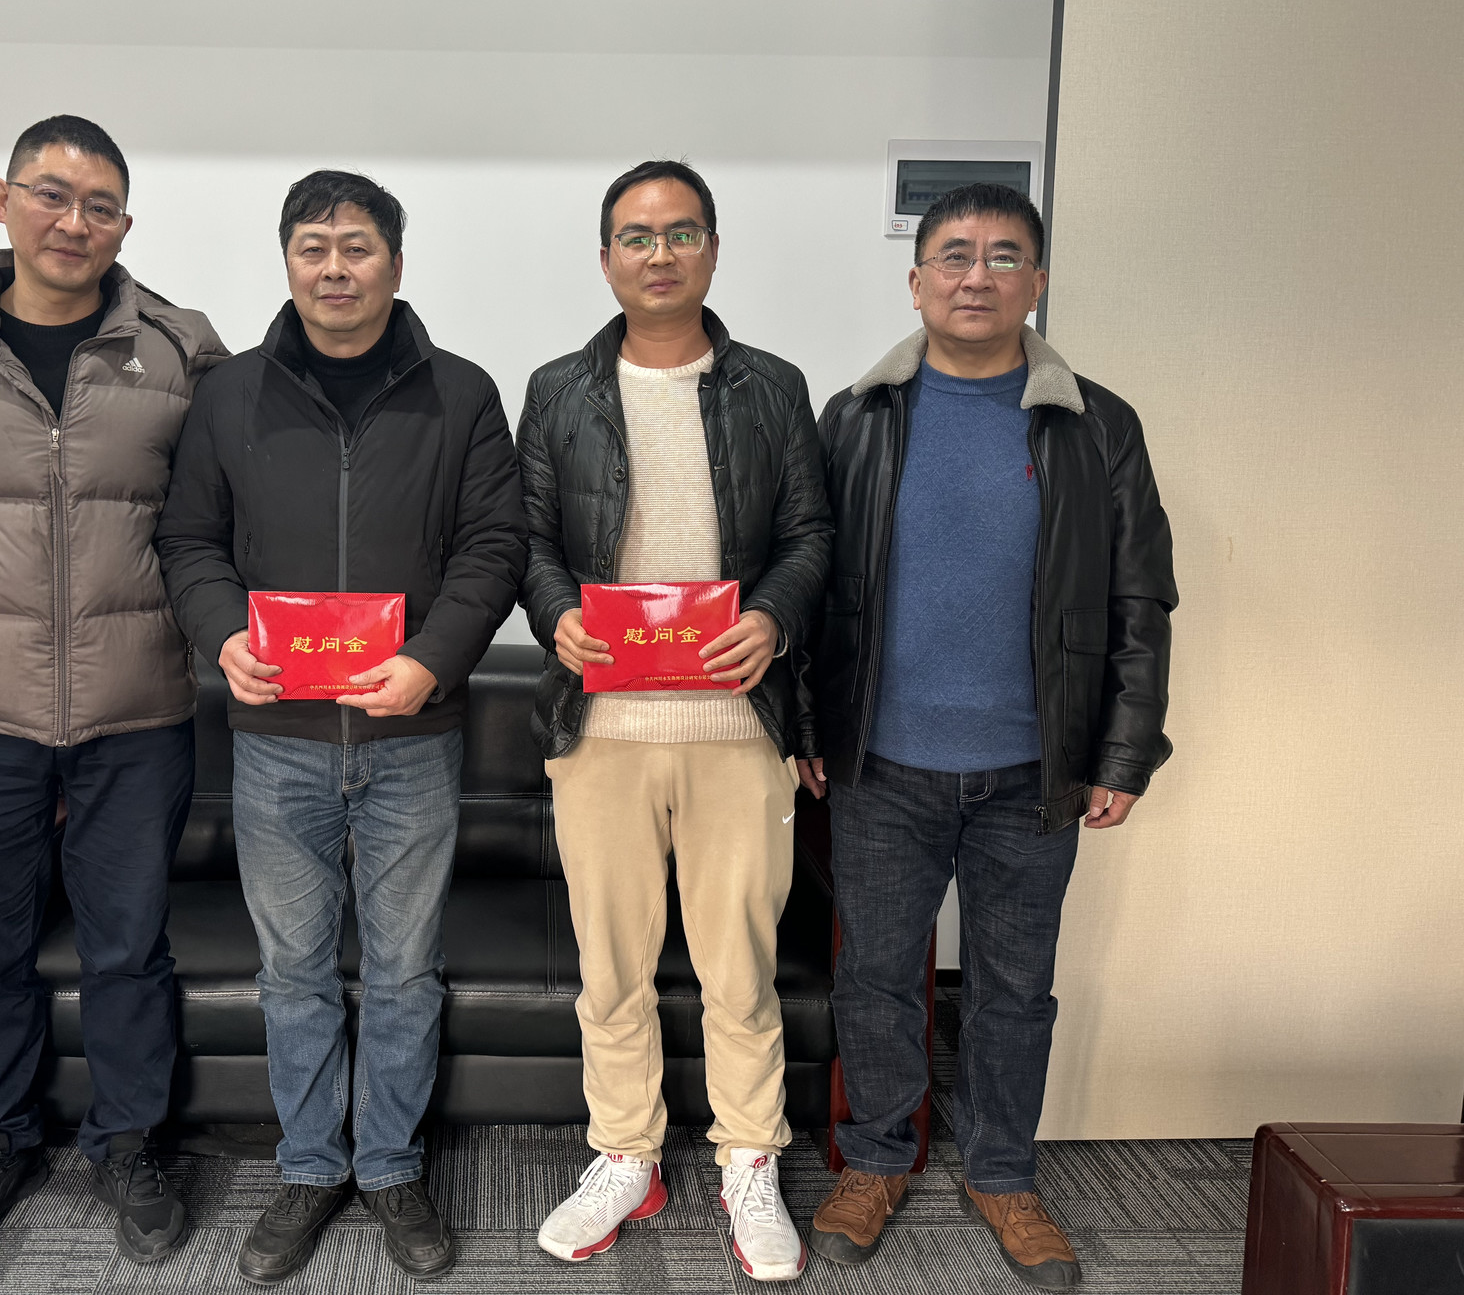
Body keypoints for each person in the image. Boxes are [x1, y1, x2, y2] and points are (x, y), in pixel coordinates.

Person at [799, 183, 1175, 1289]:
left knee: (1016, 988)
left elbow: (1140, 602)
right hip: (882, 768)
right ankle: (876, 1160)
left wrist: (1122, 754)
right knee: (876, 978)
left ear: (1037, 282)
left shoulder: (1098, 425)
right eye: (954, 256)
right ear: (916, 280)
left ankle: (1004, 1173)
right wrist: (809, 724)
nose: (977, 276)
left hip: (1032, 773)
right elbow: (812, 587)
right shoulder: (855, 417)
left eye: (1004, 256)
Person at [154, 170, 526, 1286]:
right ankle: (312, 1167)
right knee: (294, 973)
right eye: (312, 247)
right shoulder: (230, 395)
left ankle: (393, 1166)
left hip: (414, 738)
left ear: (395, 265)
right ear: (287, 262)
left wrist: (431, 661)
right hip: (278, 741)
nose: (334, 267)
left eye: (356, 247)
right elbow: (188, 541)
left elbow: (495, 546)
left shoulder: (461, 395)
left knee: (408, 970)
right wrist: (223, 635)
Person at [0, 115, 228, 1270]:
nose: (75, 222)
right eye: (52, 194)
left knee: (128, 947)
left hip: (137, 705)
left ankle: (130, 1144)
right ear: (3, 199)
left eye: (101, 205)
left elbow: (211, 513)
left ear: (124, 223)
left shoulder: (178, 354)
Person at [516, 160, 831, 1282]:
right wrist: (555, 612)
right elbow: (530, 540)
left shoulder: (773, 388)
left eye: (682, 232)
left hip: (738, 727)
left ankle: (750, 1158)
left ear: (712, 249)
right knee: (611, 965)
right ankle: (626, 1154)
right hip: (600, 727)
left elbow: (812, 535)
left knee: (742, 965)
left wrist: (774, 618)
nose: (660, 254)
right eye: (638, 236)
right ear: (607, 257)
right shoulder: (558, 389)